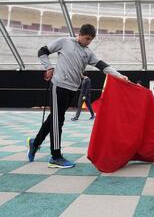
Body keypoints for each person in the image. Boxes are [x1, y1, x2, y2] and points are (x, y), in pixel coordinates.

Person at [26, 24, 128, 169]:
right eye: (87, 38)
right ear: (80, 34)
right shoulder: (64, 42)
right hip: (58, 85)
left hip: (72, 89)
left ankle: (34, 143)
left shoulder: (88, 53)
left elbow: (102, 66)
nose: (88, 42)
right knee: (58, 120)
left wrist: (119, 76)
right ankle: (55, 156)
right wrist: (48, 67)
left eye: (91, 40)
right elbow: (42, 51)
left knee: (53, 119)